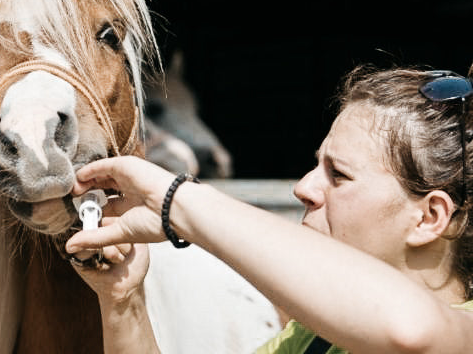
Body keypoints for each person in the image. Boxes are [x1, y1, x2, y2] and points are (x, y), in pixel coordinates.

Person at [66, 65, 473, 354]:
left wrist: (176, 200)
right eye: (317, 165)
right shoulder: (312, 340)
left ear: (429, 217)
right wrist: (122, 301)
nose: (304, 188)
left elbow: (411, 333)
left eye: (339, 175)